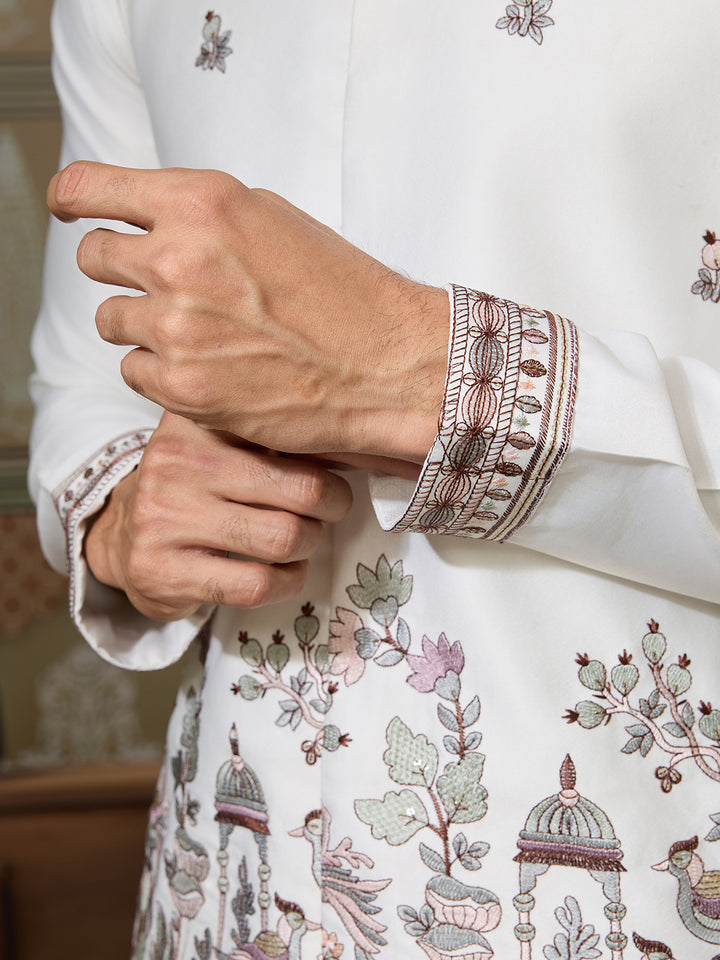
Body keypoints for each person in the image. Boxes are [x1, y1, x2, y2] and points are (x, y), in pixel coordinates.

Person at [31, 1, 720, 958]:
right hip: (226, 887)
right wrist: (120, 516)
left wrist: (424, 378)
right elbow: (83, 378)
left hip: (636, 895)